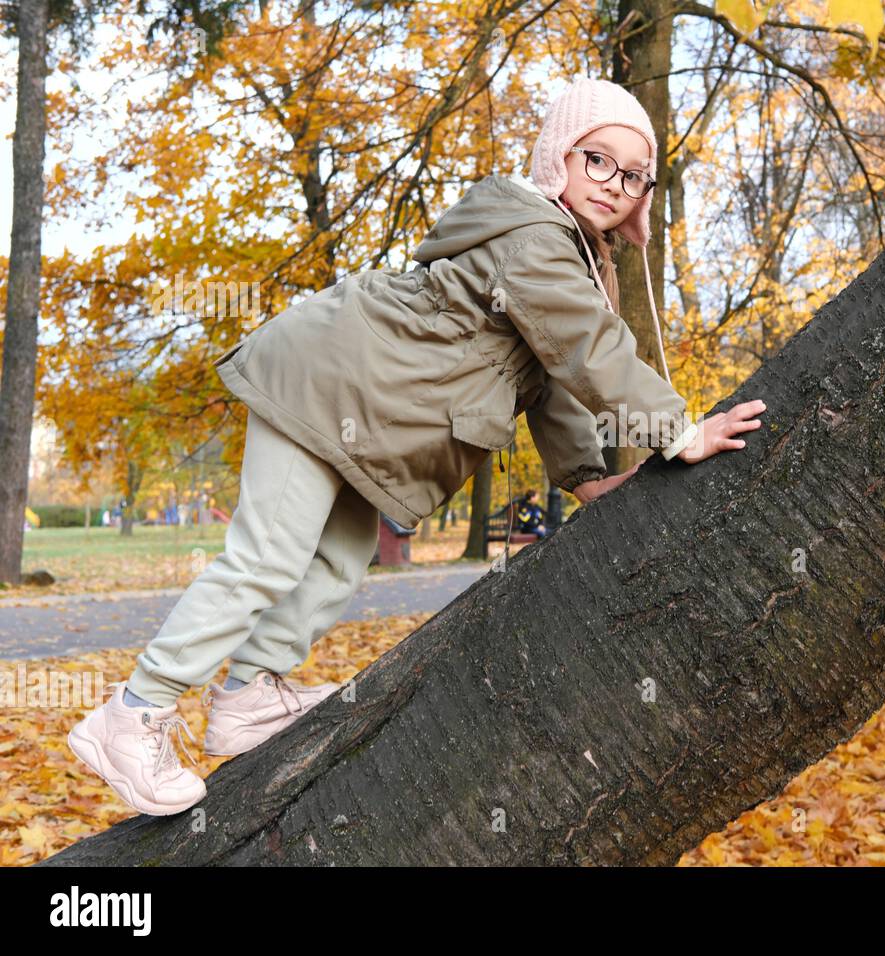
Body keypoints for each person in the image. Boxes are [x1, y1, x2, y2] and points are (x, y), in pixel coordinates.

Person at [67, 76, 767, 816]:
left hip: (360, 412)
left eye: (632, 176)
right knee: (270, 554)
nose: (614, 185)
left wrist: (587, 477)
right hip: (320, 380)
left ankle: (246, 695)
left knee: (337, 557)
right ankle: (134, 712)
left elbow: (555, 377)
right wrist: (678, 432)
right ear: (558, 155)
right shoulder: (533, 236)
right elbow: (591, 351)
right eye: (597, 160)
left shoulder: (576, 258)